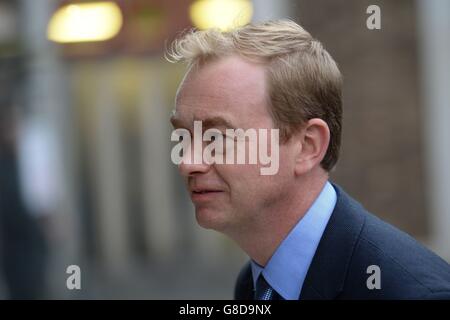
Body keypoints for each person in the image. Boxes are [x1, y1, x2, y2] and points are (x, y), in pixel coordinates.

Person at [167, 20, 450, 299]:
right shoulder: (255, 283)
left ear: (307, 146)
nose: (188, 162)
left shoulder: (410, 293)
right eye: (183, 136)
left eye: (218, 137)